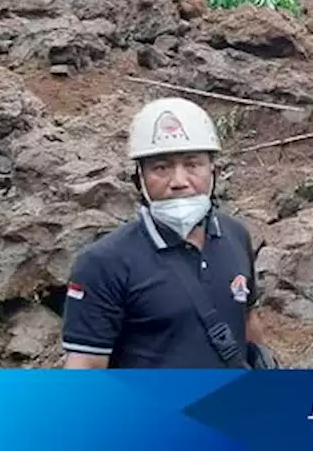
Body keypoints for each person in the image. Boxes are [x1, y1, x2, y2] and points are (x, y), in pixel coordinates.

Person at [61, 98, 274, 369]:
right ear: (139, 178)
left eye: (192, 164)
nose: (179, 182)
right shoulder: (104, 263)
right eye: (161, 168)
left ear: (213, 170)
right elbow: (85, 367)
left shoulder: (236, 236)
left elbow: (246, 322)